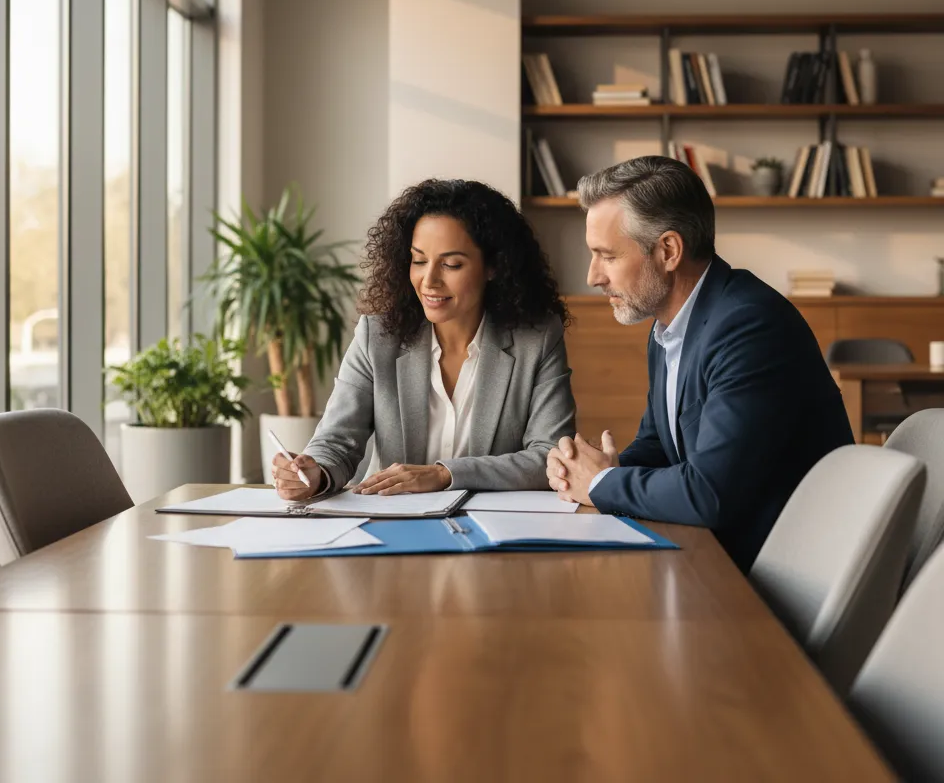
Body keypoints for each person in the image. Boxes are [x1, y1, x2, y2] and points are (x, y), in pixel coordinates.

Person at [546, 156, 853, 570]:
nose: (593, 276)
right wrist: (593, 469)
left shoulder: (749, 326)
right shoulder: (670, 327)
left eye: (607, 256)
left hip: (781, 576)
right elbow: (661, 443)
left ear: (669, 250)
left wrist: (601, 483)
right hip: (720, 557)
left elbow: (710, 494)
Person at [271, 179, 576, 499]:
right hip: (391, 524)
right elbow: (336, 442)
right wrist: (314, 473)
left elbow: (550, 456)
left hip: (488, 527)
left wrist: (445, 474)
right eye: (418, 260)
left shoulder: (536, 340)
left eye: (451, 264)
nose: (429, 280)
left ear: (494, 267)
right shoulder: (376, 336)